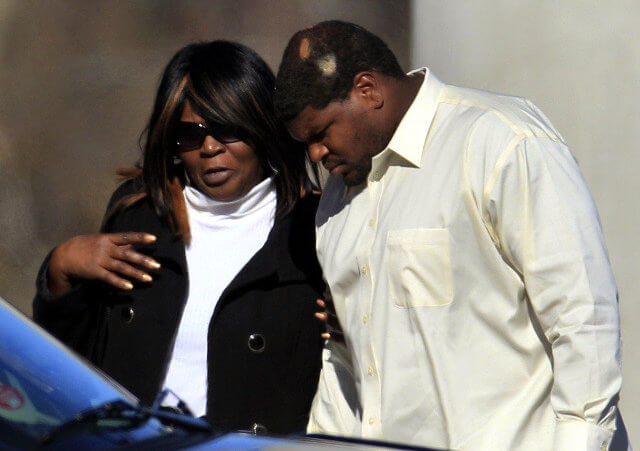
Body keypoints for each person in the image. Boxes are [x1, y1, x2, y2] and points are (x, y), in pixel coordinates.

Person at [273, 20, 628, 450]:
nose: (315, 153)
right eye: (303, 143)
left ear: (368, 90)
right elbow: (347, 360)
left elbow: (581, 313)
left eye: (320, 132)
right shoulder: (335, 204)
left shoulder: (499, 140)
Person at [33, 40, 324, 434]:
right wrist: (61, 270)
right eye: (189, 135)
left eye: (227, 128)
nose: (209, 147)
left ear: (262, 125)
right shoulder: (138, 213)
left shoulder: (314, 228)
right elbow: (66, 368)